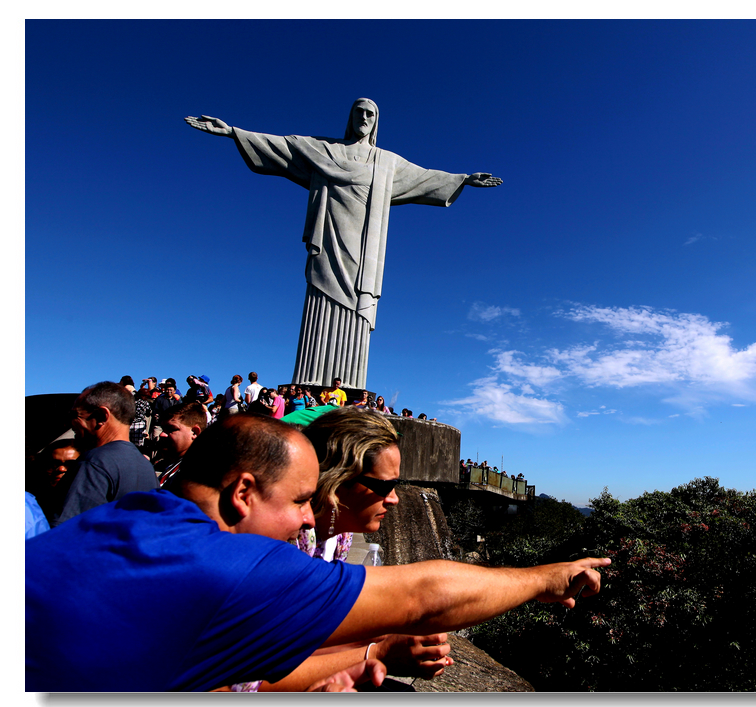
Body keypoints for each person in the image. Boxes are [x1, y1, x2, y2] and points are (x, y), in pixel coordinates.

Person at [26, 414, 608, 691]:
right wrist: (548, 577)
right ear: (243, 492)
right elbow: (423, 596)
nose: (308, 515)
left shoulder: (119, 522)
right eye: (302, 499)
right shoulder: (225, 568)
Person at [185, 100, 502, 390]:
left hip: (363, 250)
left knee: (356, 303)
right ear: (350, 118)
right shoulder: (325, 149)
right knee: (320, 297)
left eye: (370, 114)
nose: (363, 118)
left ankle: (348, 384)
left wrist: (462, 178)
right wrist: (232, 132)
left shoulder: (387, 163)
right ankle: (308, 380)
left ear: (376, 122)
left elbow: (425, 177)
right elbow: (285, 146)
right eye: (358, 112)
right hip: (329, 238)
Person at [232, 408, 453, 692]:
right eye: (385, 486)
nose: (394, 499)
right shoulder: (285, 541)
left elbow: (305, 634)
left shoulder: (339, 536)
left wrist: (381, 637)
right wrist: (377, 653)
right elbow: (245, 680)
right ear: (338, 480)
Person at [53, 382, 159, 525]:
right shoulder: (146, 467)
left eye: (75, 414)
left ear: (101, 416)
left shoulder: (93, 464)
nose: (70, 423)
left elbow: (64, 533)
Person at [155, 402, 209, 487]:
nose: (162, 434)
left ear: (195, 432)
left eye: (171, 429)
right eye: (163, 429)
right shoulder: (177, 465)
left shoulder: (197, 472)